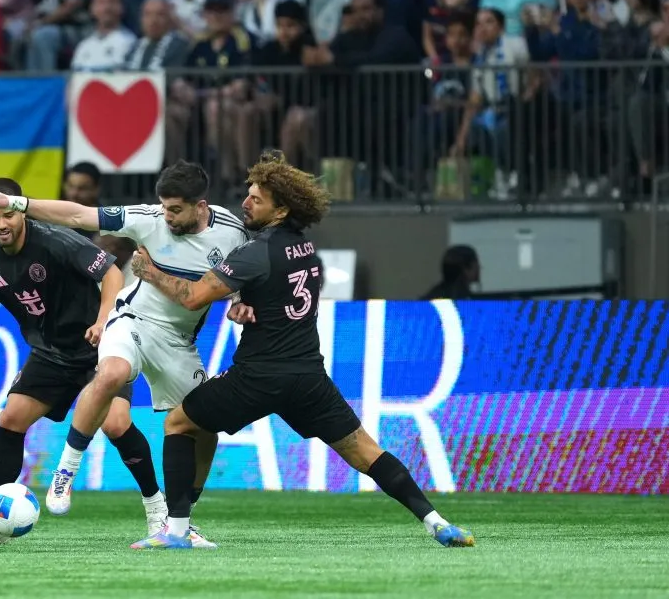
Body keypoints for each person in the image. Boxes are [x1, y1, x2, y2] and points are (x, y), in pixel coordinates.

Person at [127, 151, 476, 550]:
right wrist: (247, 304)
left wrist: (151, 272)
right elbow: (276, 295)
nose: (245, 203)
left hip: (258, 376)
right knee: (365, 451)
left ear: (281, 208)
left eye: (256, 199)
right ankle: (437, 522)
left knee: (178, 422)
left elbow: (191, 297)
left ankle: (175, 532)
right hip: (309, 377)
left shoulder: (255, 252)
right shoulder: (306, 250)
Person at [0, 161, 250, 549]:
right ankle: (65, 472)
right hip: (132, 318)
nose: (166, 216)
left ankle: (180, 518)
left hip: (178, 341)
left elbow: (247, 273)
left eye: (175, 209)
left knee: (203, 425)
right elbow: (78, 214)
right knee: (110, 373)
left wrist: (241, 299)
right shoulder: (147, 218)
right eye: (163, 206)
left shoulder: (232, 231)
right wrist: (19, 203)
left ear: (200, 205)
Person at [0, 178, 163, 544]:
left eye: (7, 215)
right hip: (51, 353)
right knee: (11, 418)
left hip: (101, 349)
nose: (1, 224)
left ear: (19, 210)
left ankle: (158, 513)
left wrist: (102, 320)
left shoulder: (55, 240)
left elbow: (111, 273)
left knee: (115, 424)